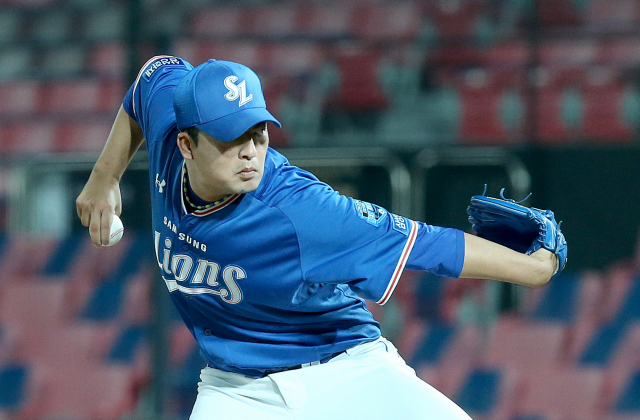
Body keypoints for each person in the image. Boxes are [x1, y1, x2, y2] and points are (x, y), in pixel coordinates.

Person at [76, 56, 560, 420]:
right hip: (237, 392)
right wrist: (103, 176)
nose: (249, 153)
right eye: (229, 139)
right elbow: (151, 76)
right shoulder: (167, 130)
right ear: (186, 144)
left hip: (345, 370)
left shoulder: (303, 210)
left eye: (258, 134)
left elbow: (430, 245)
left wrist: (535, 269)